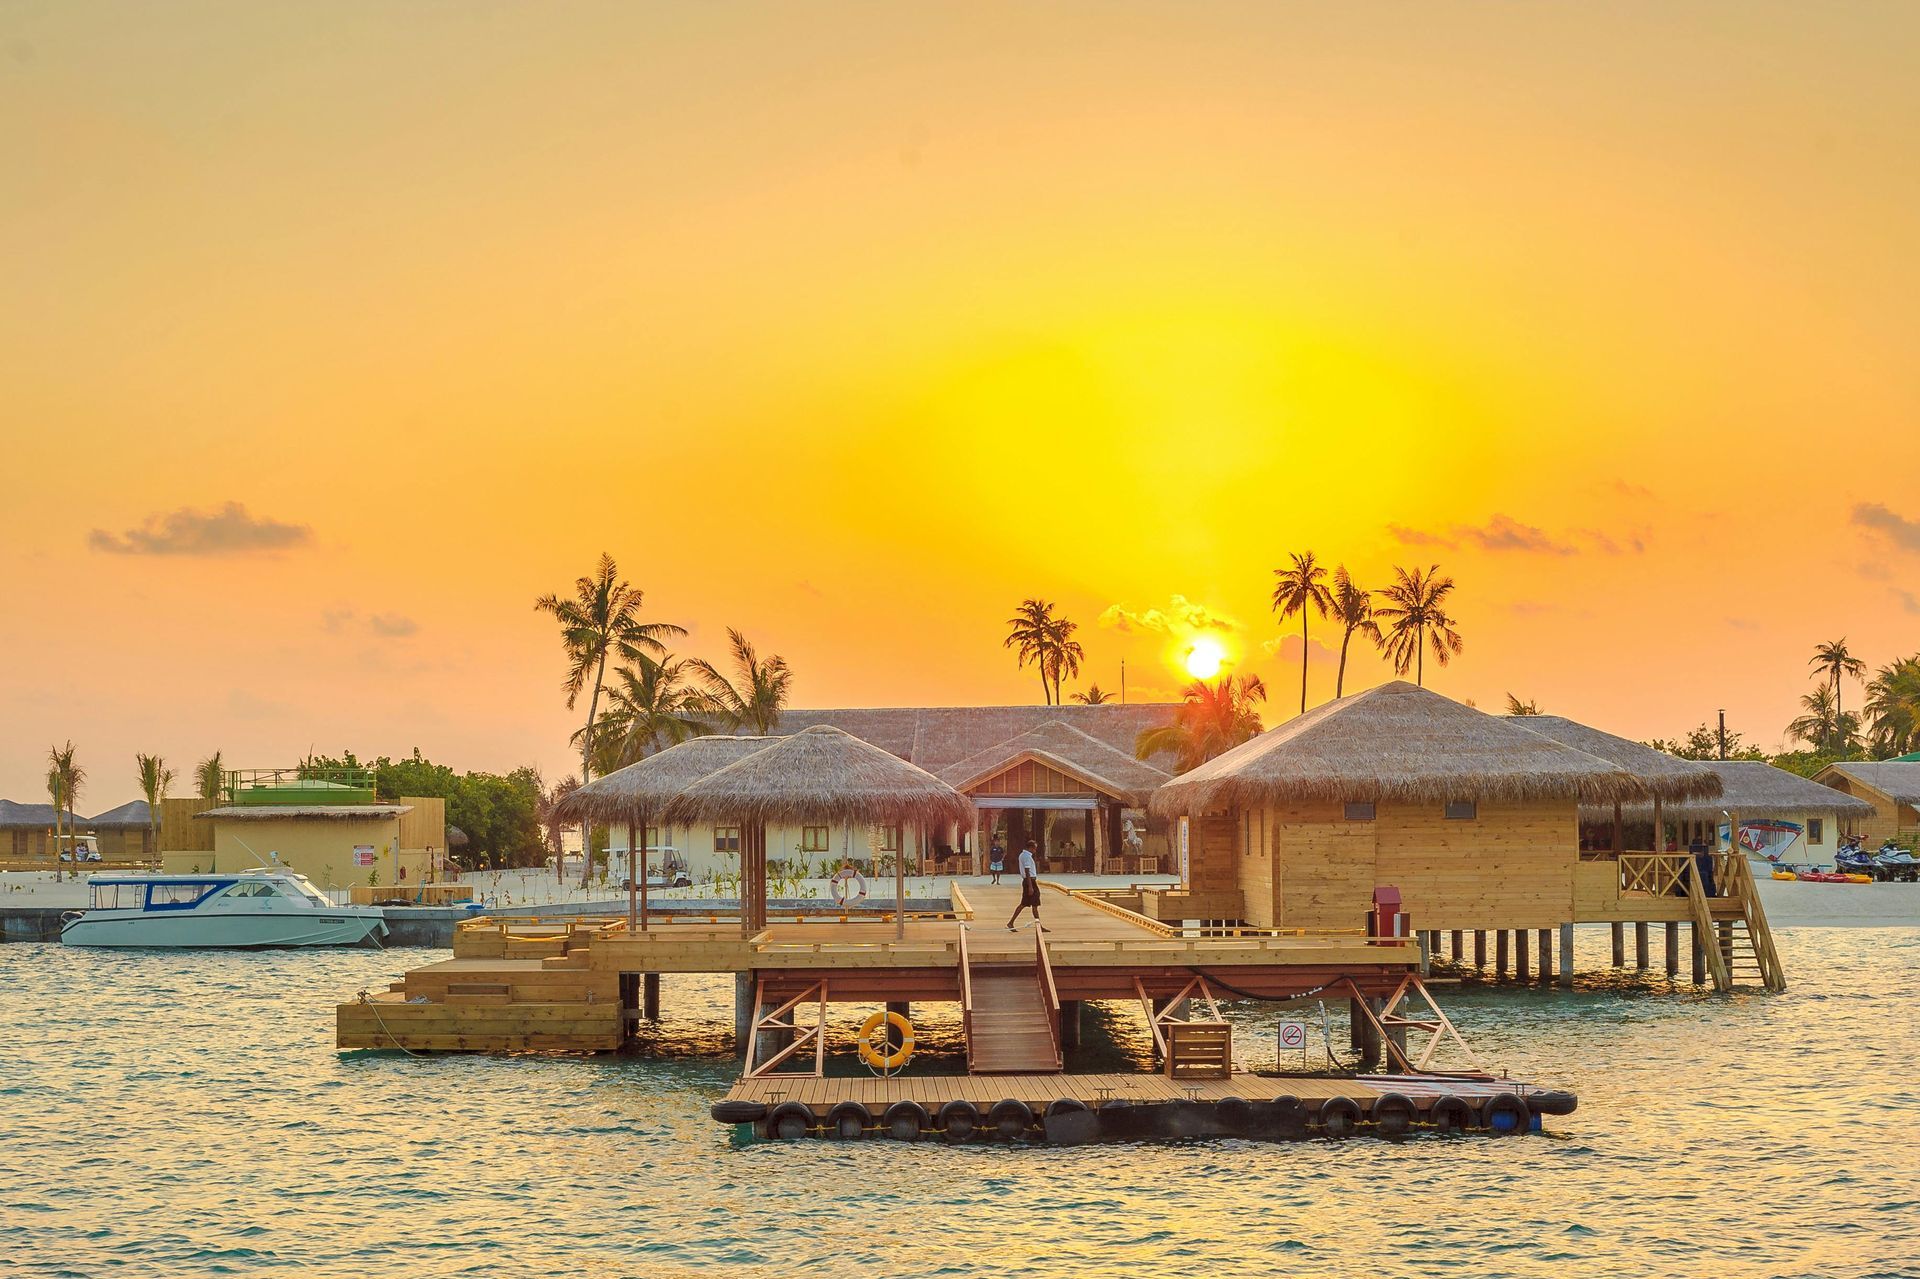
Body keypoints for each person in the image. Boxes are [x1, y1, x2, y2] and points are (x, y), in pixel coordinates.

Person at [1006, 840, 1042, 930]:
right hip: (1029, 881)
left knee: (1028, 904)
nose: (1035, 850)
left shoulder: (1024, 855)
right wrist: (1030, 886)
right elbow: (1027, 871)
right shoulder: (1026, 856)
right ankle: (1039, 926)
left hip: (1029, 881)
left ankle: (1011, 922)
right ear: (1030, 848)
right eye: (1034, 848)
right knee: (1033, 903)